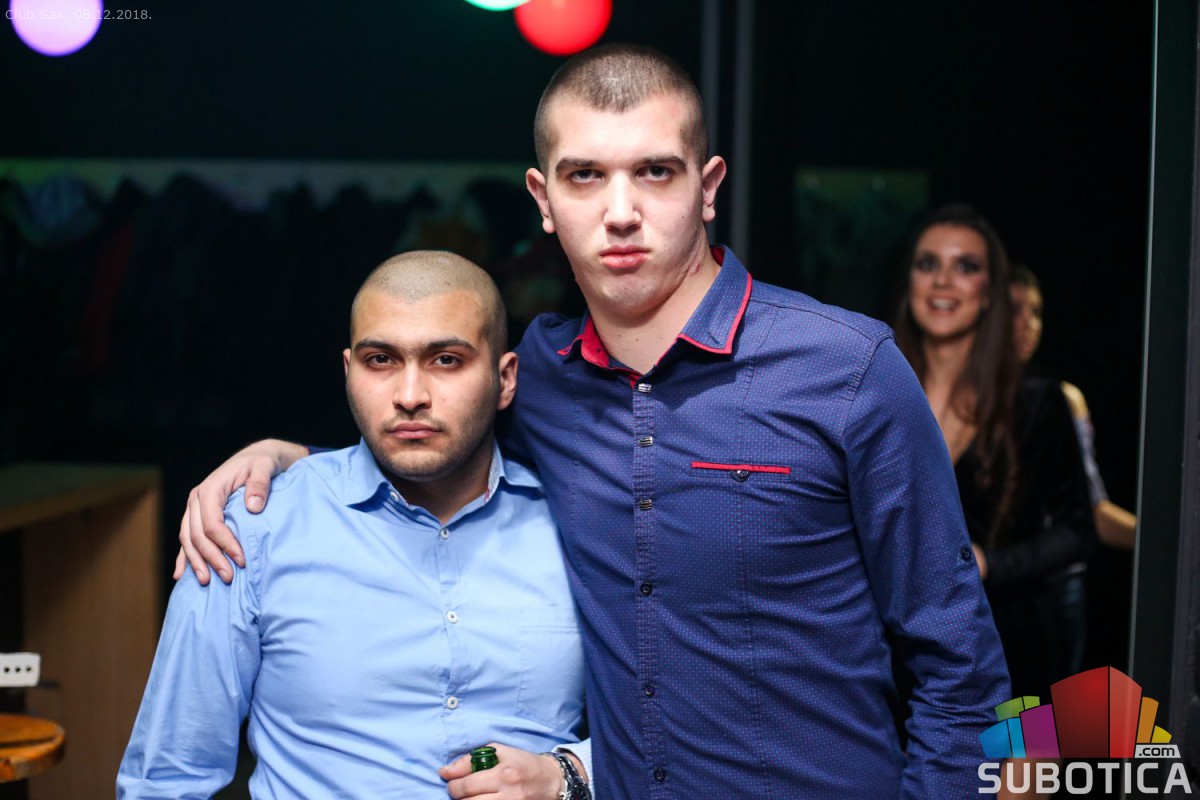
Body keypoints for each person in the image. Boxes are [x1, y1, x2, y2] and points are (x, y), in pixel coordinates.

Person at [177, 45, 1010, 798]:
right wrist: (287, 457)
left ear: (708, 187)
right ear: (543, 199)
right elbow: (424, 430)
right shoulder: (538, 375)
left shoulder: (848, 370)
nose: (619, 211)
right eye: (584, 176)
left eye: (655, 172)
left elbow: (963, 673)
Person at [119, 252, 592, 799]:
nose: (410, 396)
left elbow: (658, 726)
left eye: (446, 360)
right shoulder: (253, 530)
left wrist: (571, 774)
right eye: (380, 360)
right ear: (348, 372)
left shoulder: (576, 526)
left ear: (504, 379)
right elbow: (167, 778)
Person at [892, 204, 1097, 697]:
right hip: (897, 655)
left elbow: (1077, 530)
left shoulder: (1037, 402)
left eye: (965, 266)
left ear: (988, 293)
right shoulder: (877, 394)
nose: (943, 281)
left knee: (1017, 754)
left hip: (1010, 651)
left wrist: (989, 564)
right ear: (910, 282)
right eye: (928, 264)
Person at [1011, 263, 1137, 550]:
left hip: (1047, 568)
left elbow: (1091, 509)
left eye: (1036, 312)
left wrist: (1165, 540)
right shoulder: (952, 394)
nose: (1029, 323)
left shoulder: (1060, 400)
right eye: (1014, 309)